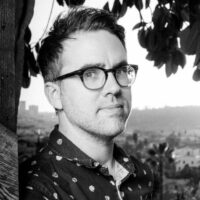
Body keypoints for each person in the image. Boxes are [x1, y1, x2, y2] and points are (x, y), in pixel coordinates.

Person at [21, 6, 154, 200]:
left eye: (121, 70)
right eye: (90, 74)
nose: (115, 88)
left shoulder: (142, 176)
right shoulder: (38, 189)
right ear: (55, 95)